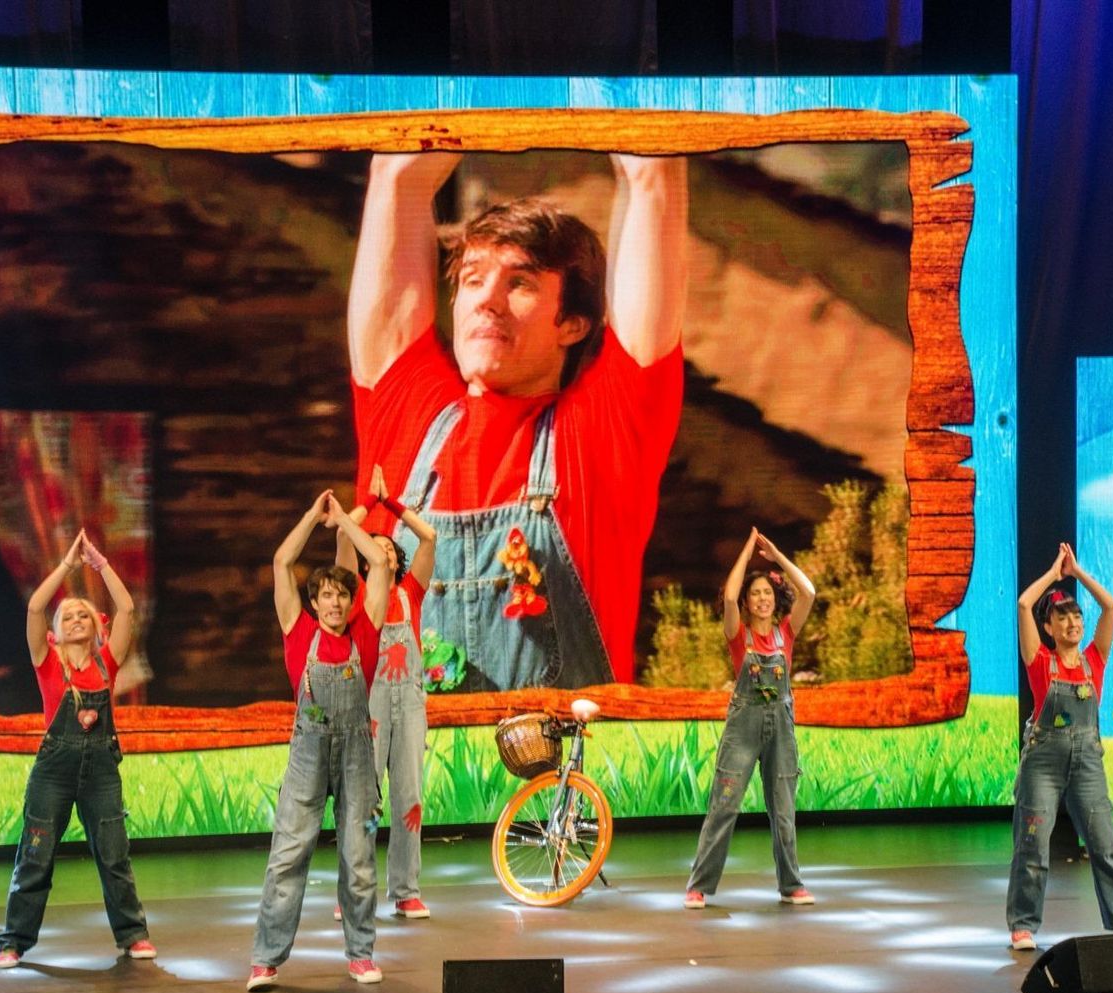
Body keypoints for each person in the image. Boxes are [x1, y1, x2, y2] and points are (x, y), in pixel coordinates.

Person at [347, 151, 688, 693]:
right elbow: (398, 173)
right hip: (405, 776)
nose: (487, 301)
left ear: (573, 324)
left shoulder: (601, 434)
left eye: (520, 283)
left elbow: (652, 168)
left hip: (559, 776)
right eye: (474, 279)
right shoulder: (405, 419)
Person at [247, 490, 391, 991]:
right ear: (313, 603)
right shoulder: (296, 630)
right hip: (307, 754)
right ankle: (266, 959)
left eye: (342, 595)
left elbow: (376, 560)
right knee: (289, 854)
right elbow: (282, 560)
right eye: (325, 595)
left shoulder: (366, 632)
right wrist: (313, 514)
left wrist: (345, 523)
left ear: (352, 602)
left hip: (357, 756)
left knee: (358, 857)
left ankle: (361, 953)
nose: (334, 602)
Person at [0, 530, 154, 968]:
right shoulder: (47, 662)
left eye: (83, 615)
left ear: (95, 626)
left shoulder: (108, 661)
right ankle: (13, 942)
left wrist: (101, 565)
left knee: (114, 854)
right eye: (67, 617)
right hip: (54, 772)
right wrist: (67, 566)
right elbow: (33, 606)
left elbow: (126, 607)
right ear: (57, 632)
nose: (76, 621)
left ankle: (133, 935)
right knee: (35, 855)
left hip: (101, 771)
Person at [1006, 543, 1113, 951]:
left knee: (1104, 843)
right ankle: (1023, 925)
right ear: (1050, 627)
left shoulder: (1093, 661)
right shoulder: (1038, 661)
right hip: (1043, 763)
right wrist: (1053, 572)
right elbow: (1025, 604)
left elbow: (1112, 605)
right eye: (1062, 617)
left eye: (1076, 616)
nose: (1072, 622)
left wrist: (1077, 573)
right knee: (1033, 845)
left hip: (1086, 762)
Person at [684, 528, 817, 909]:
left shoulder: (786, 634)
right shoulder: (737, 634)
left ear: (775, 602)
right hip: (742, 731)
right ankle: (698, 887)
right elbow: (727, 594)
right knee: (724, 805)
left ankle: (791, 885)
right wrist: (746, 550)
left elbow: (808, 592)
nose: (762, 599)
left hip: (781, 731)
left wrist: (777, 555)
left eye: (767, 593)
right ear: (747, 601)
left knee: (783, 809)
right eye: (755, 593)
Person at [336, 465, 438, 920]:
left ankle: (406, 890)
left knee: (409, 797)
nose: (383, 553)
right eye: (372, 549)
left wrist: (392, 503)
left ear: (396, 557)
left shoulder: (411, 593)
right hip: (372, 699)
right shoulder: (358, 596)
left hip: (410, 703)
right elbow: (342, 536)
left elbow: (429, 538)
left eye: (388, 548)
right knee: (362, 796)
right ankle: (354, 892)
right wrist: (368, 503)